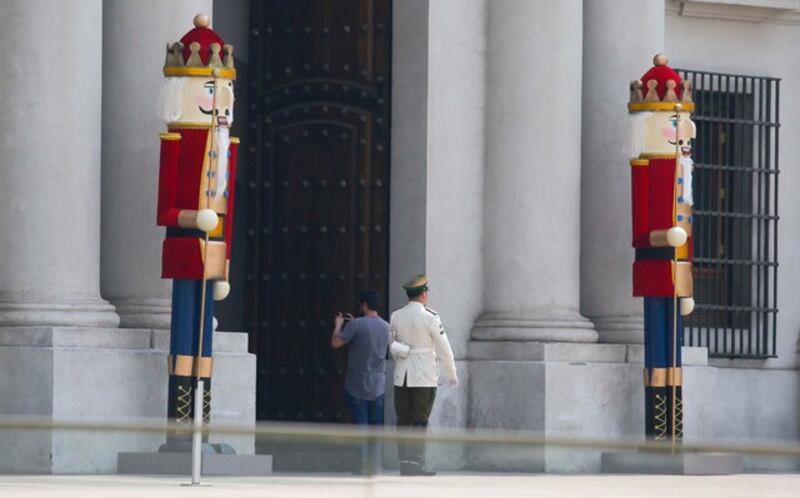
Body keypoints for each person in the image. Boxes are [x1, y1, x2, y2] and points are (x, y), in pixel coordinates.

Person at [390, 274, 458, 476]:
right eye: (426, 291)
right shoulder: (430, 316)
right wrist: (451, 372)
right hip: (424, 375)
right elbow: (444, 347)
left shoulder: (396, 315)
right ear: (422, 294)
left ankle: (404, 464)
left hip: (402, 374)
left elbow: (392, 344)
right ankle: (417, 464)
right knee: (420, 420)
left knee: (403, 420)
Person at [331, 289, 391, 474]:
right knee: (376, 427)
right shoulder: (387, 327)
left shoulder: (356, 325)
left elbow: (336, 343)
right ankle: (376, 465)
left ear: (364, 304)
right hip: (378, 385)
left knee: (361, 427)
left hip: (356, 384)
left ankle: (364, 466)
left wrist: (339, 325)